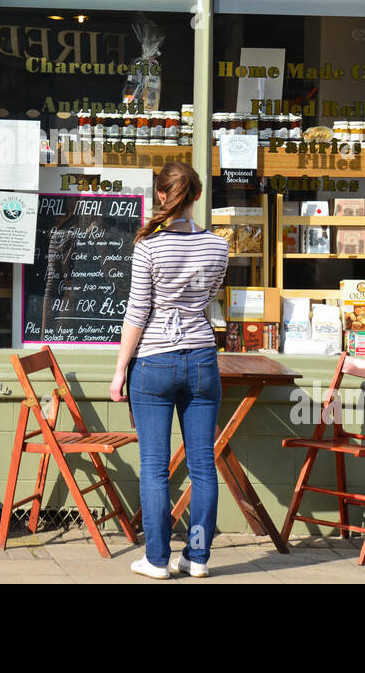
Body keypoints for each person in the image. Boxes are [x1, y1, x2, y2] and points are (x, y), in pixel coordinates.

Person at [109, 161, 228, 578]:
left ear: (161, 195)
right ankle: (197, 557)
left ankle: (157, 559)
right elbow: (208, 299)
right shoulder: (218, 246)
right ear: (196, 197)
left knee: (155, 466)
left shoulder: (149, 246)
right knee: (202, 466)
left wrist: (120, 369)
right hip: (201, 358)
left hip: (154, 361)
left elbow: (137, 313)